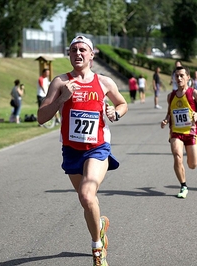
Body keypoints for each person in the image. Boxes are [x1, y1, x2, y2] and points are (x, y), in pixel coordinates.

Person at [37, 35, 128, 266]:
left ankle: (97, 249)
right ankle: (100, 228)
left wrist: (115, 113)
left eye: (82, 50)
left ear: (91, 54)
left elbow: (122, 103)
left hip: (97, 148)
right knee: (87, 201)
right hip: (71, 150)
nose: (78, 53)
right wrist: (61, 100)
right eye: (74, 50)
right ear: (69, 54)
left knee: (87, 194)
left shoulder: (104, 82)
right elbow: (41, 117)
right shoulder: (60, 82)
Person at [161, 66, 197, 199]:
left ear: (188, 77)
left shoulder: (194, 94)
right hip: (176, 132)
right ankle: (183, 185)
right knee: (177, 155)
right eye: (176, 76)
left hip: (191, 132)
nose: (179, 78)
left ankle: (185, 177)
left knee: (192, 164)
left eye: (182, 75)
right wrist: (166, 120)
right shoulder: (170, 96)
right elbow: (169, 112)